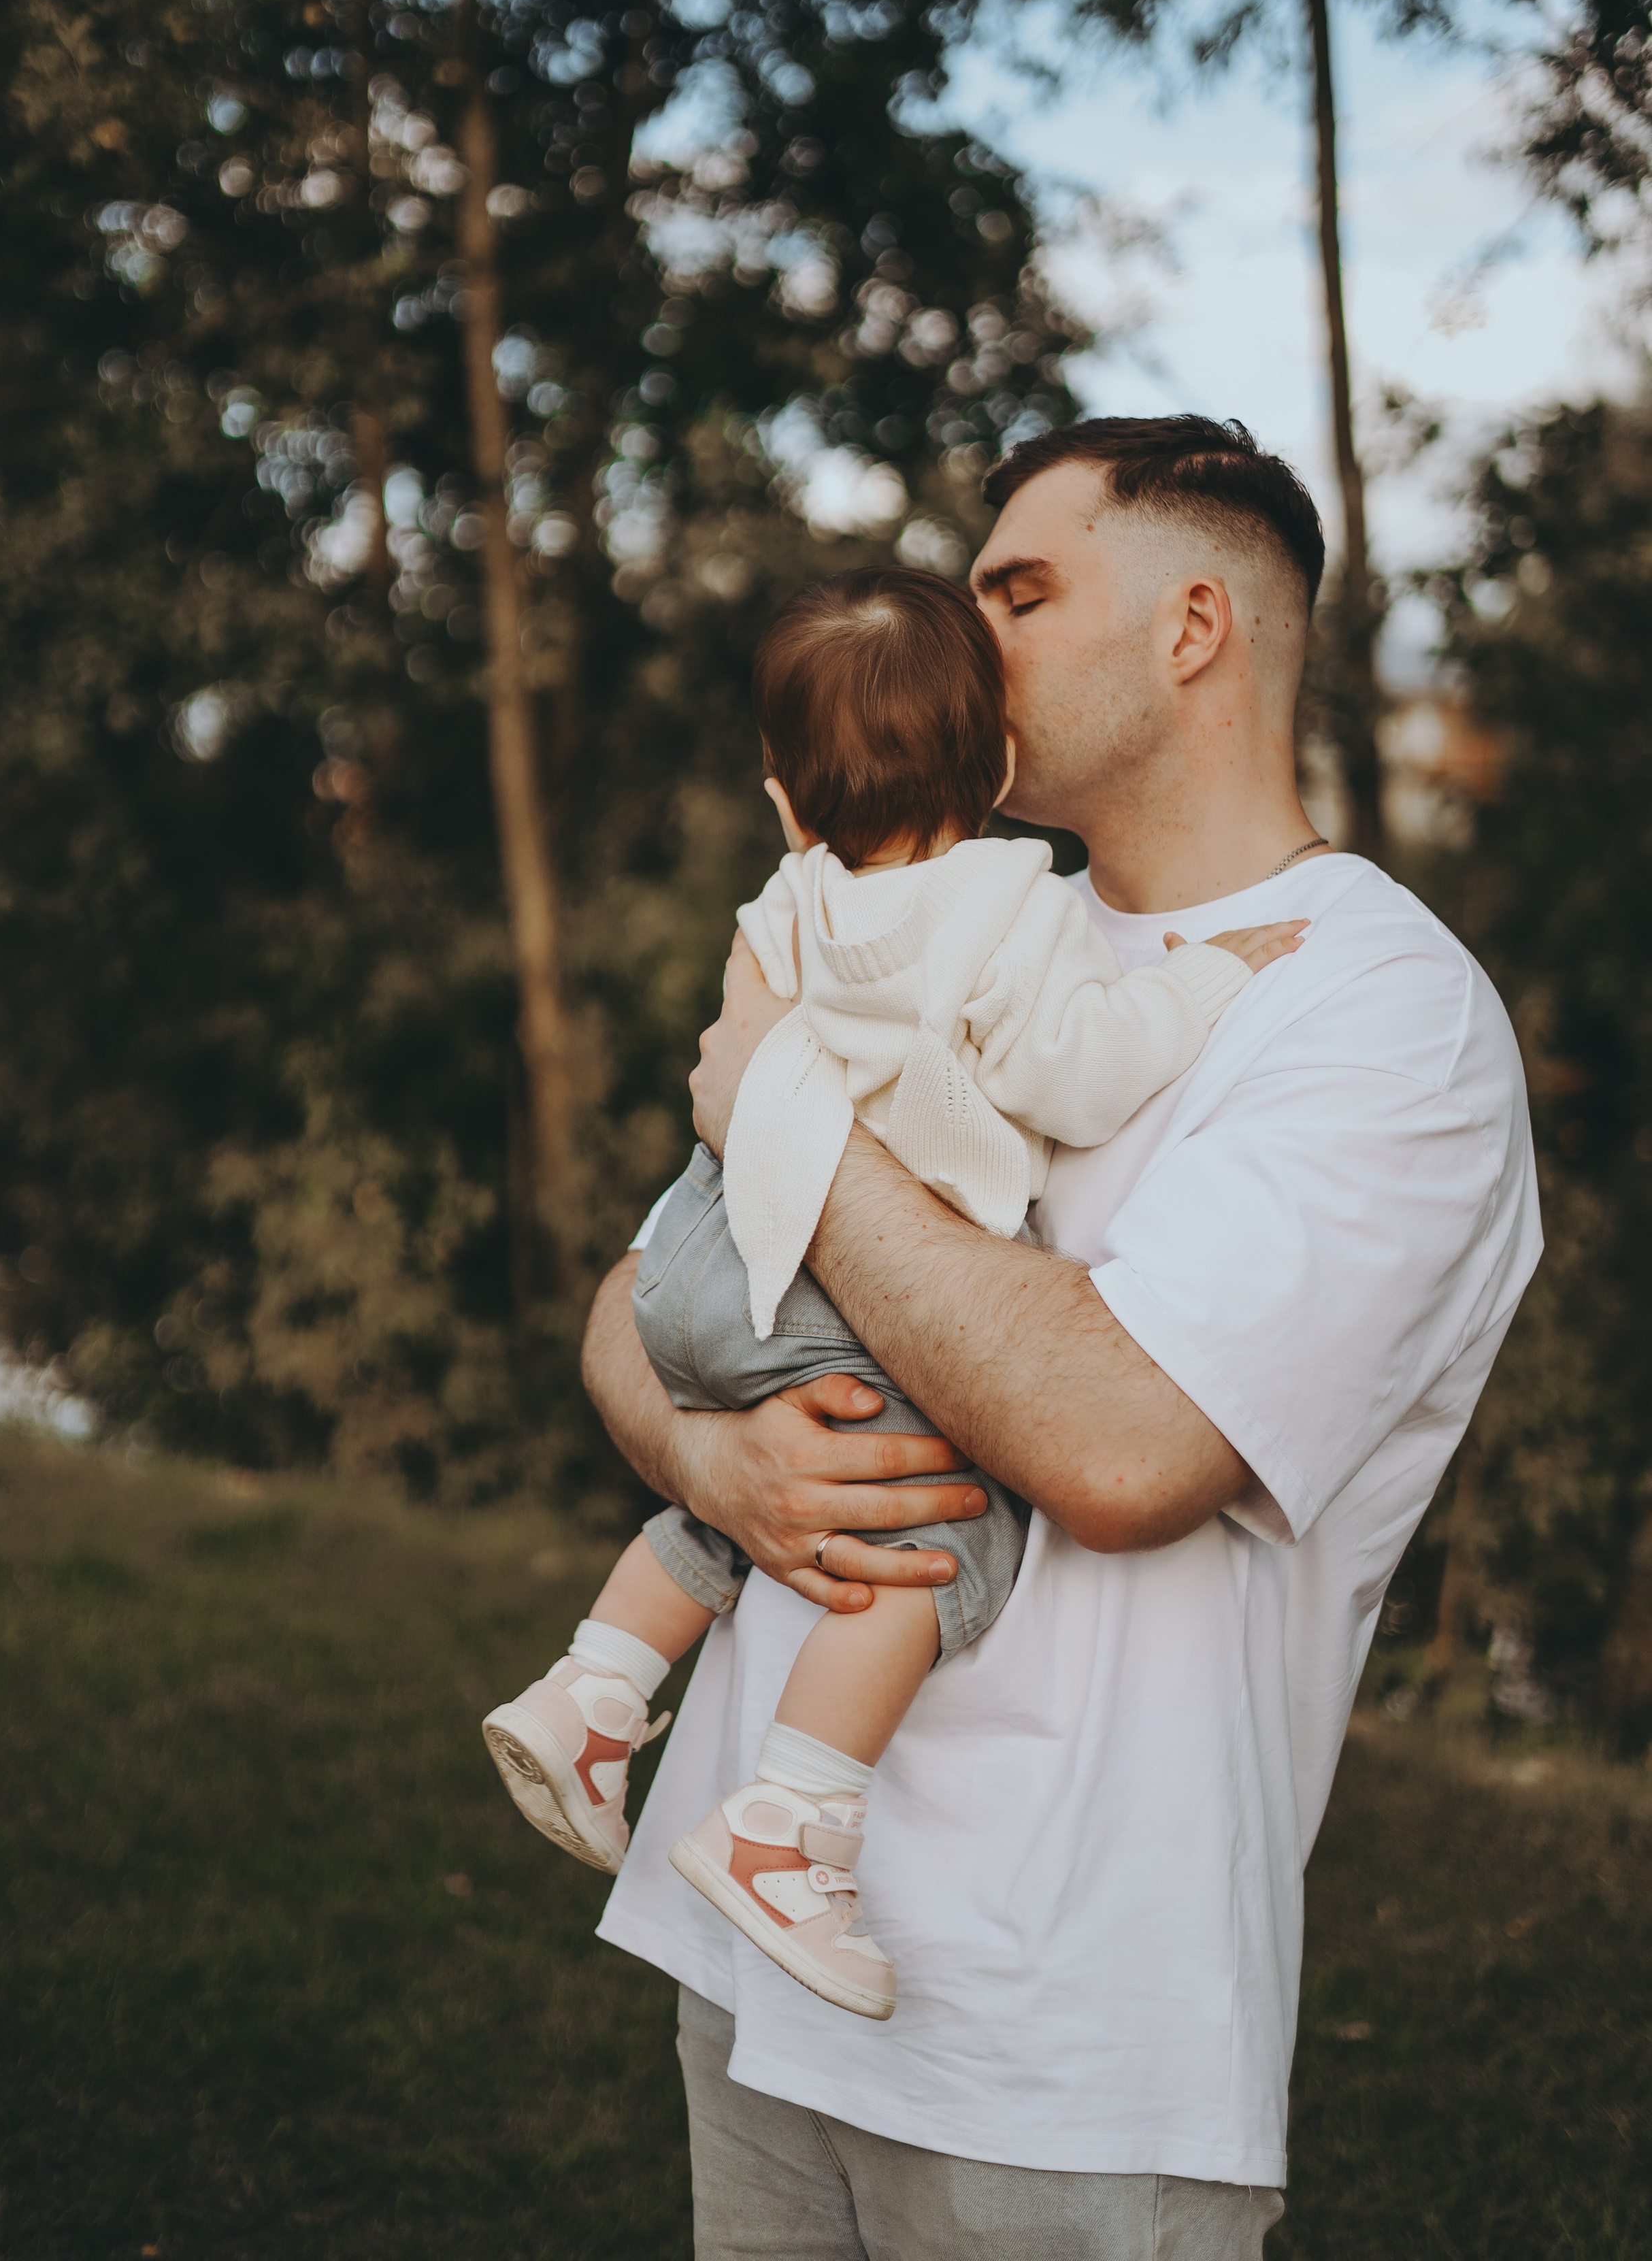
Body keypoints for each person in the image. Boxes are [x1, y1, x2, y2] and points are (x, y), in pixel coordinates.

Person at [591, 416, 1541, 2260]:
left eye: (1016, 594)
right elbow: (649, 1303)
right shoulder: (934, 911)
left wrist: (789, 1109)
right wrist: (713, 1460)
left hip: (1060, 2036)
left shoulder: (1380, 1016)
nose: (964, 639)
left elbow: (1121, 1449)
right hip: (759, 1958)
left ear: (1193, 630)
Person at [484, 569, 1303, 2020]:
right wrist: (1198, 987)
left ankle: (590, 1692)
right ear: (999, 768)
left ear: (784, 802)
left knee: (758, 1496)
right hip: (828, 1283)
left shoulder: (785, 901)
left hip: (700, 1266)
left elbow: (746, 1062)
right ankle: (789, 1826)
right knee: (936, 1534)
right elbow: (1080, 1073)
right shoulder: (1011, 904)